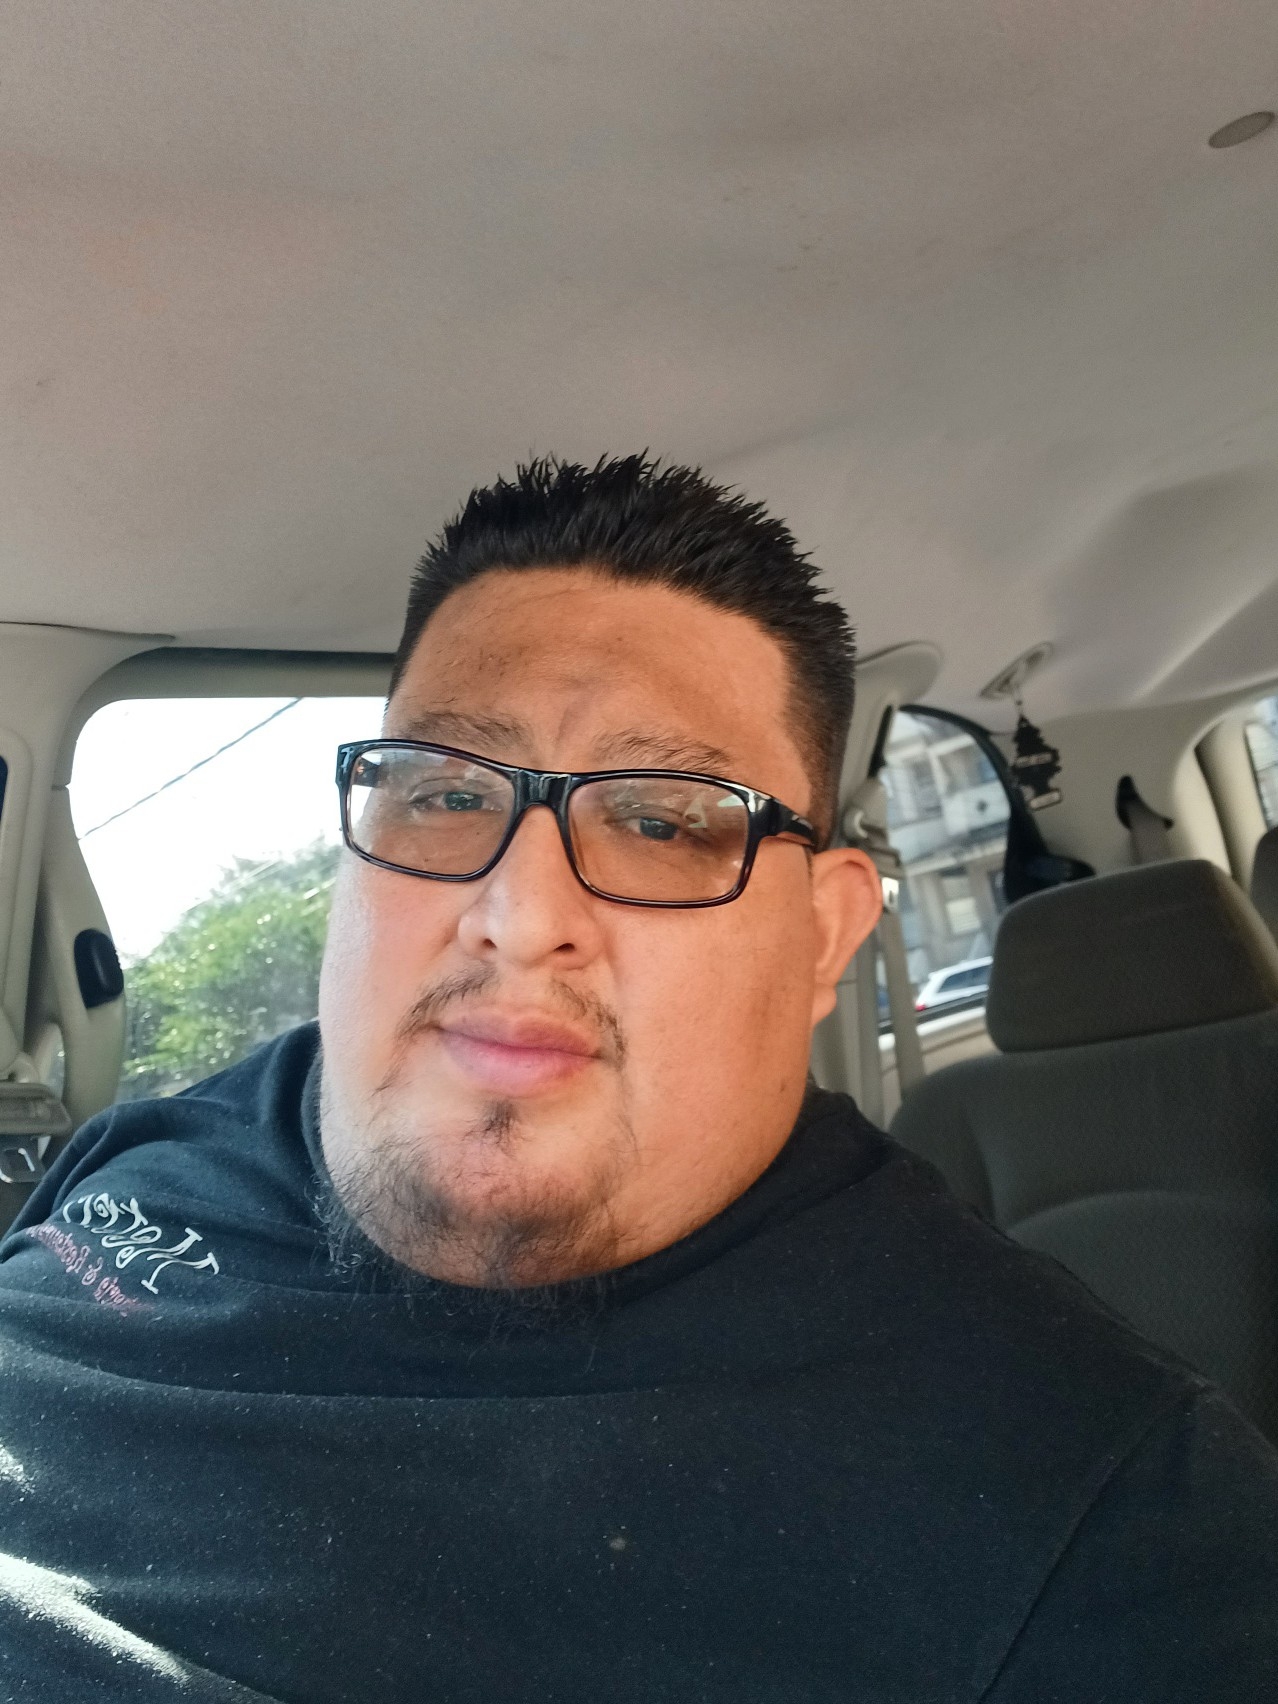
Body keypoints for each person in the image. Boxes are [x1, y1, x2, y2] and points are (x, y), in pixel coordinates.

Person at [0, 455, 1274, 1702]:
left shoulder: (1101, 1515)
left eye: (664, 821)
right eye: (445, 794)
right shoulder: (153, 1144)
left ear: (824, 933)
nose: (518, 917)